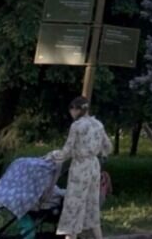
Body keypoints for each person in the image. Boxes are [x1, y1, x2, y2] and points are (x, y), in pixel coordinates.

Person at [48, 96, 113, 239]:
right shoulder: (98, 124)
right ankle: (98, 236)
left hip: (80, 166)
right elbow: (108, 147)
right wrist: (97, 153)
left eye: (71, 110)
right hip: (94, 166)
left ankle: (71, 236)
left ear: (76, 109)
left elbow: (67, 151)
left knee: (74, 203)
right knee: (92, 203)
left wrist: (52, 156)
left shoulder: (77, 126)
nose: (71, 113)